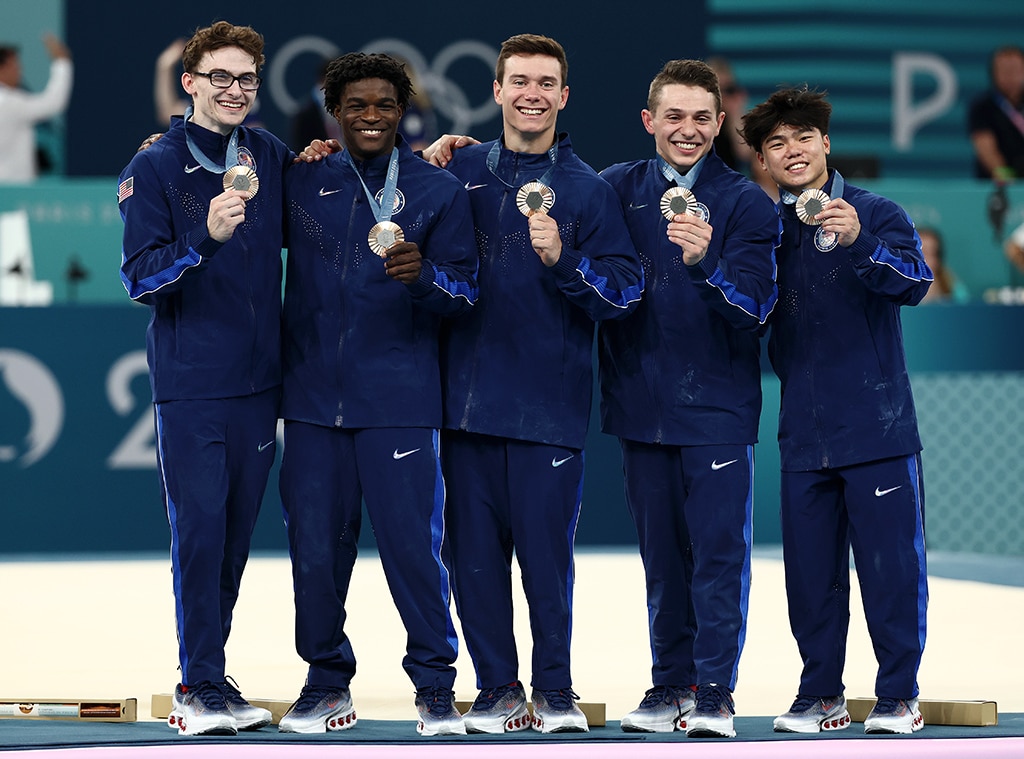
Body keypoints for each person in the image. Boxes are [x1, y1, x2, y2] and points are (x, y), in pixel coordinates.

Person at [421, 33, 643, 735]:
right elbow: (380, 185)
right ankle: (496, 690)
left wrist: (564, 259)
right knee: (473, 563)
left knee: (546, 565)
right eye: (519, 81)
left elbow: (624, 293)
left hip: (549, 407)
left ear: (564, 95)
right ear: (496, 91)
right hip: (463, 406)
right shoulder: (456, 174)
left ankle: (554, 689)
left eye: (546, 82)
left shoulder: (590, 190)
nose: (532, 94)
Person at [277, 52, 478, 738]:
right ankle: (325, 681)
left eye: (384, 105)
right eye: (356, 105)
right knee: (314, 550)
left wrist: (424, 279)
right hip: (311, 403)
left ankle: (434, 687)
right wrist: (166, 137)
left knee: (413, 551)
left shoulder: (436, 191)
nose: (370, 117)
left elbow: (465, 293)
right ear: (334, 110)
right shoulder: (299, 181)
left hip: (399, 401)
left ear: (404, 112)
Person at [739, 86, 932, 736]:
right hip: (804, 436)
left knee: (890, 572)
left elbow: (915, 283)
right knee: (811, 582)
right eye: (775, 144)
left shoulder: (876, 211)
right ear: (763, 161)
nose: (790, 151)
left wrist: (861, 244)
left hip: (877, 431)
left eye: (801, 138)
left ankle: (899, 695)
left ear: (825, 142)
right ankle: (821, 694)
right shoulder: (769, 232)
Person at [118, 20, 292, 737]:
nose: (234, 90)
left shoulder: (270, 153)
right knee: (198, 535)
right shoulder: (156, 166)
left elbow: (343, 186)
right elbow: (140, 278)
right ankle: (195, 685)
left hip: (260, 386)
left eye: (247, 78)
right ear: (190, 82)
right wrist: (206, 239)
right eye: (220, 77)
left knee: (233, 541)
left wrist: (438, 150)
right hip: (192, 386)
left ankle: (211, 674)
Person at [598, 59, 779, 739]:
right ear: (650, 121)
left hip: (718, 413)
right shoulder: (614, 190)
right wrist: (456, 148)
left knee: (717, 555)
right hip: (641, 406)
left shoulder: (748, 206)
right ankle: (669, 682)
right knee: (662, 559)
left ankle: (713, 691)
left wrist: (709, 265)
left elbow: (758, 307)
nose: (688, 129)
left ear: (720, 122)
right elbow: (540, 186)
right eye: (674, 116)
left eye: (702, 117)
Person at [0, 33, 72, 183]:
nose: (20, 71)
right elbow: (53, 102)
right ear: (3, 68)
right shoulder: (8, 103)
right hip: (11, 191)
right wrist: (62, 62)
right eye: (16, 66)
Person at [968, 45, 1024, 182]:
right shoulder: (982, 107)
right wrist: (1002, 174)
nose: (1011, 76)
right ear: (994, 73)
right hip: (995, 186)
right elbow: (985, 147)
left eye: (1015, 70)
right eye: (1005, 71)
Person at [917, 227, 969, 304]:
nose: (925, 260)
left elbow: (965, 308)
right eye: (921, 253)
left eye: (932, 253)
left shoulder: (952, 284)